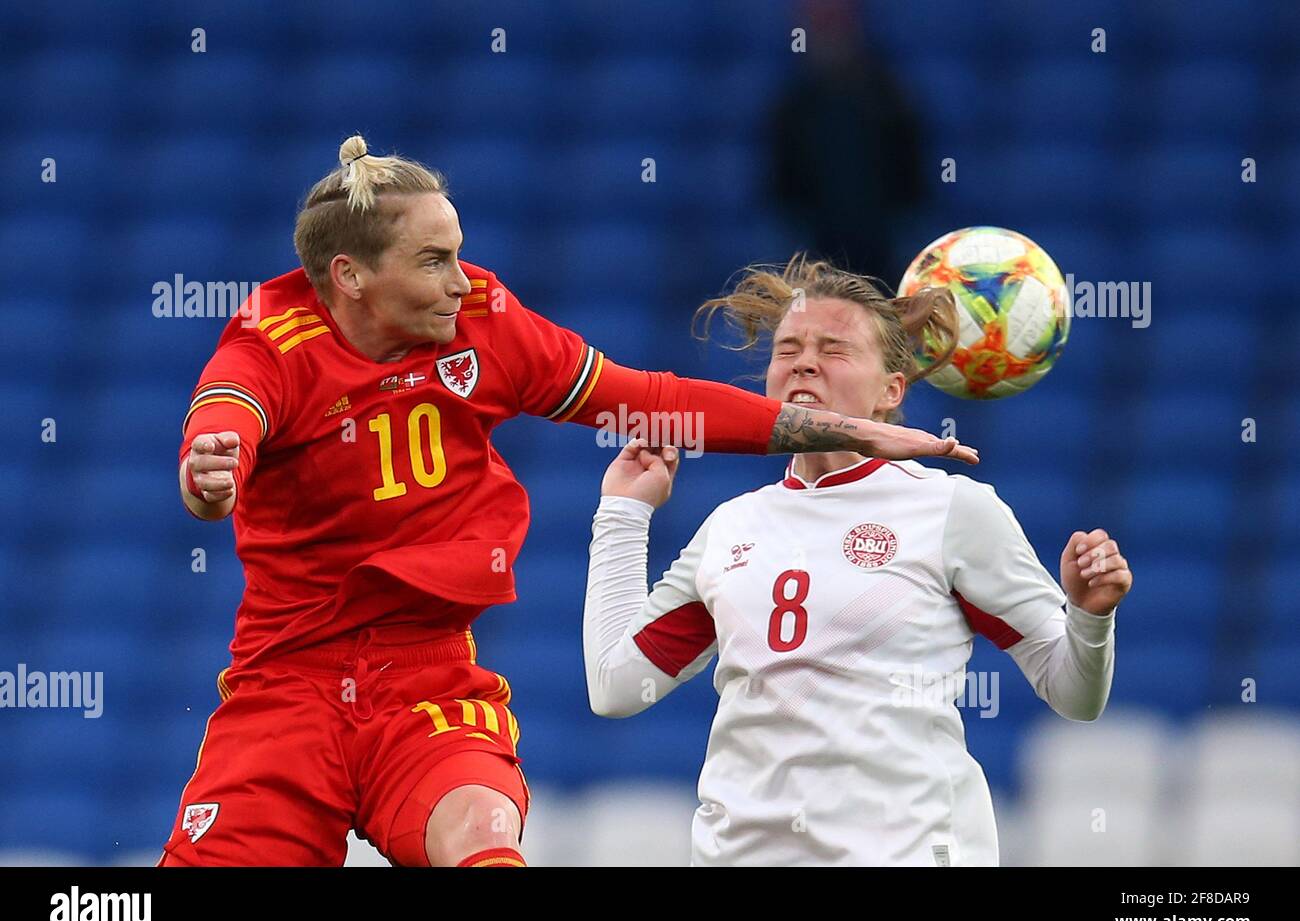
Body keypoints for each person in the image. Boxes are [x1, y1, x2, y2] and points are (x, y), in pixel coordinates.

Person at [161, 137, 978, 868]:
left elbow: (648, 398)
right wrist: (210, 472)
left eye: (459, 253)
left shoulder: (485, 321)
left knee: (482, 833)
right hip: (290, 684)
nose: (462, 279)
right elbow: (227, 418)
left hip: (429, 680)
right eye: (434, 260)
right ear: (352, 277)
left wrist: (834, 428)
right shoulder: (272, 339)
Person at [582, 255, 1130, 866]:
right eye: (788, 349)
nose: (804, 361)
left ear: (891, 390)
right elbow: (617, 686)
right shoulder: (731, 527)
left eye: (834, 349)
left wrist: (1088, 617)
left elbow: (1075, 695)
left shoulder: (950, 509)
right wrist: (624, 515)